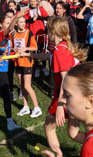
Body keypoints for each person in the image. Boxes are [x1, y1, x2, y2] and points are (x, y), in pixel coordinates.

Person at [20, 16, 87, 156]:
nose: (47, 33)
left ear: (53, 32)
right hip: (76, 95)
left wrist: (61, 106)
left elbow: (65, 80)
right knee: (73, 133)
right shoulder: (63, 46)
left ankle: (58, 154)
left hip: (64, 96)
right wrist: (31, 55)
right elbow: (48, 56)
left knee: (49, 127)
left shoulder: (60, 51)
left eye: (48, 30)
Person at [9, 13, 42, 118]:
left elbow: (35, 48)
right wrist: (14, 49)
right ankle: (26, 106)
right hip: (17, 61)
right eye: (21, 22)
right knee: (21, 85)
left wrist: (25, 49)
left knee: (27, 85)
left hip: (27, 62)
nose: (23, 24)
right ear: (16, 23)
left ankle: (37, 108)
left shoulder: (29, 33)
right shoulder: (13, 34)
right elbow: (11, 47)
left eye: (24, 22)